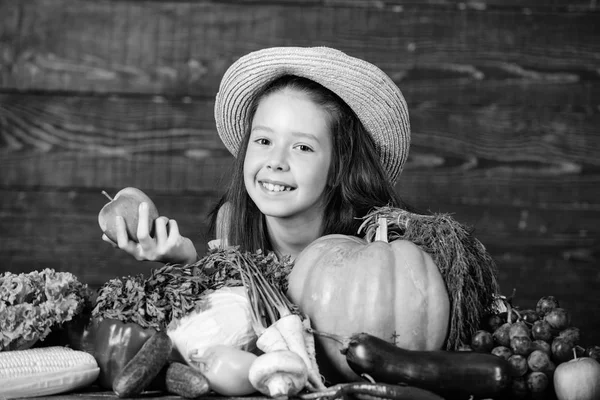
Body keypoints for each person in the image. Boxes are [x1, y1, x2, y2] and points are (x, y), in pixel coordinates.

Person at [102, 46, 413, 263]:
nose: (275, 161)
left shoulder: (379, 245)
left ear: (337, 168)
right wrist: (184, 261)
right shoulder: (233, 223)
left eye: (302, 147)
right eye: (263, 140)